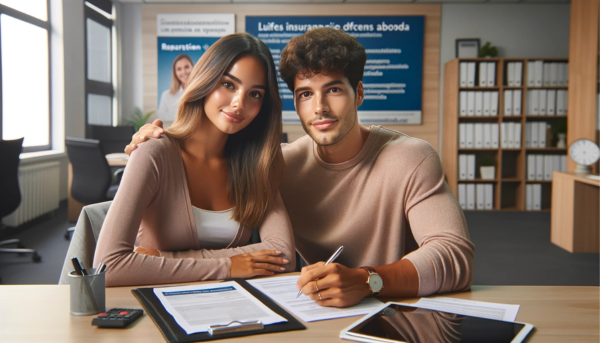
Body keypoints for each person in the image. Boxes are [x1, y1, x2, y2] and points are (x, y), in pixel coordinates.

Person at [126, 28, 474, 306]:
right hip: (302, 312)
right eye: (306, 94)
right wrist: (159, 141)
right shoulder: (278, 163)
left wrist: (368, 280)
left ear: (359, 93)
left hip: (384, 315)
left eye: (334, 89)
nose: (319, 107)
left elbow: (454, 256)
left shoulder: (411, 157)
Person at [93, 33, 296, 287]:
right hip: (156, 308)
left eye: (255, 94)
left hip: (230, 307)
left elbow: (283, 257)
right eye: (229, 84)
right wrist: (229, 265)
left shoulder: (258, 164)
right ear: (206, 80)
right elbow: (108, 266)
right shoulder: (153, 153)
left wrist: (165, 258)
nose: (239, 103)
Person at [157, 54, 193, 124]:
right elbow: (162, 121)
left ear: (193, 67)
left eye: (187, 67)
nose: (184, 72)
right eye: (179, 69)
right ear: (175, 73)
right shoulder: (166, 95)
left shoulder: (203, 92)